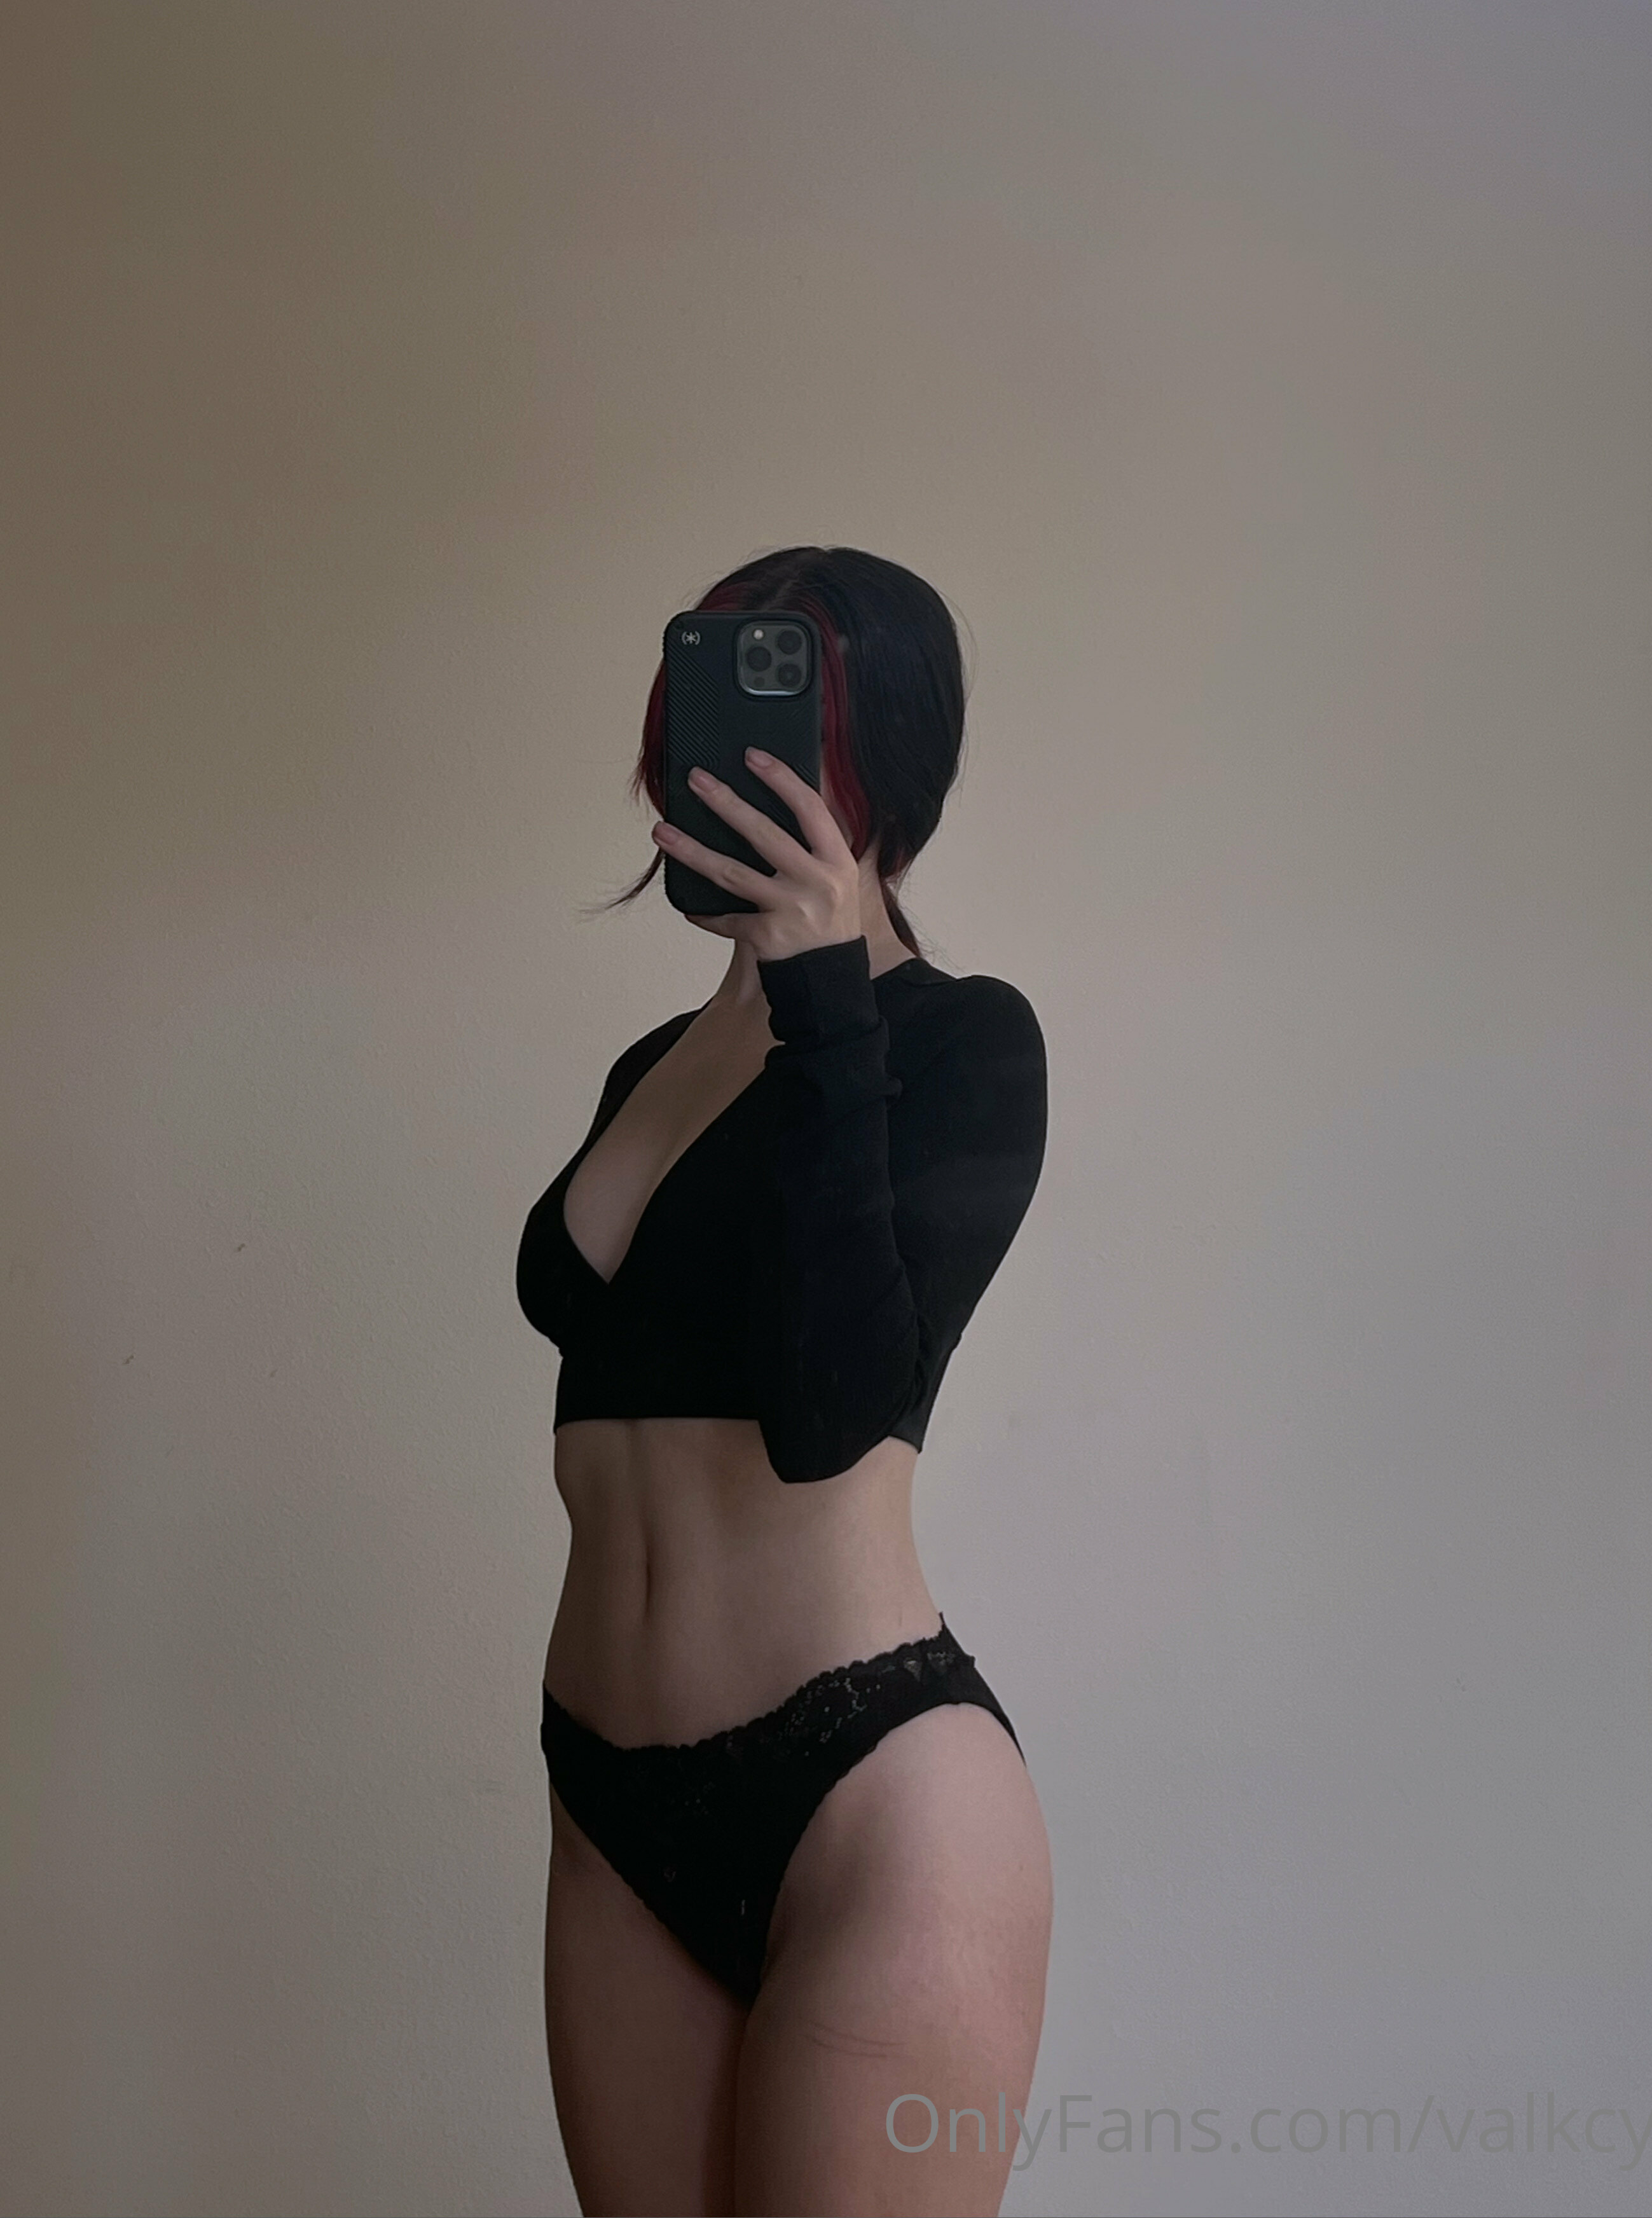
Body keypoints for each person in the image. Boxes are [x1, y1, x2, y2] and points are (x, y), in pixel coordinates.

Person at [516, 546, 1051, 2215]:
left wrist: (824, 994)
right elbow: (581, 1316)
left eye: (793, 715)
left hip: (870, 1793)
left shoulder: (963, 1041)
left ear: (880, 754)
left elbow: (831, 1413)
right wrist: (759, 999)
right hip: (608, 1790)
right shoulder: (654, 1063)